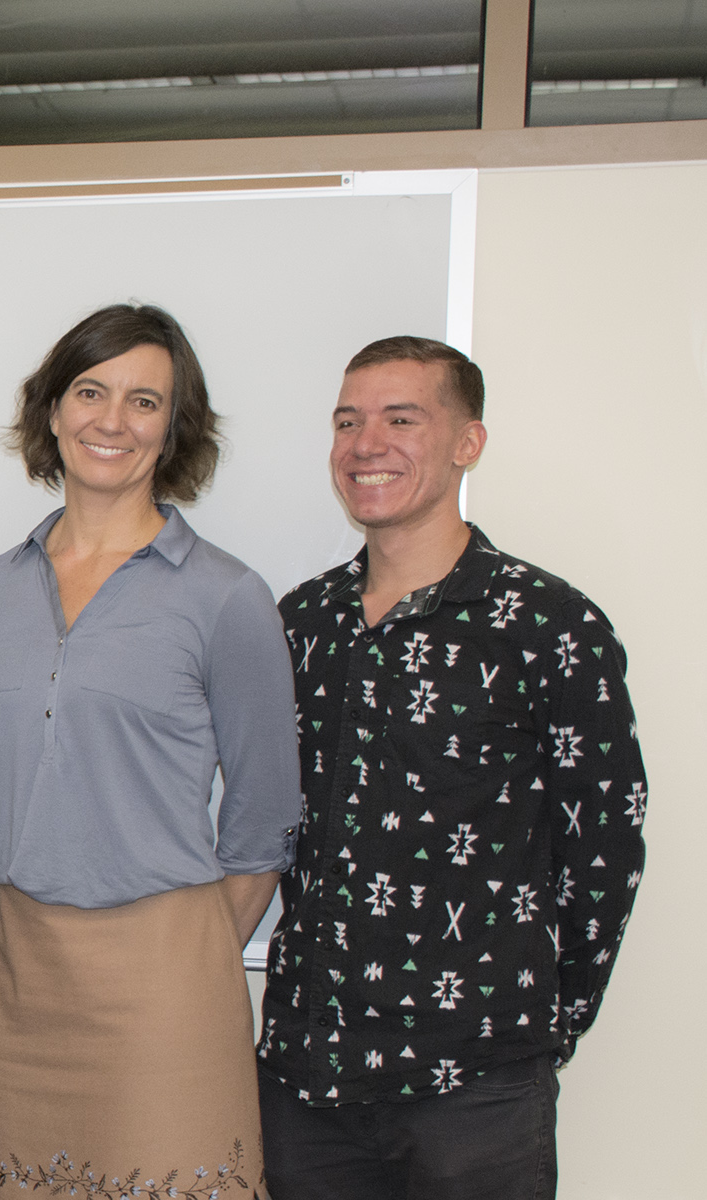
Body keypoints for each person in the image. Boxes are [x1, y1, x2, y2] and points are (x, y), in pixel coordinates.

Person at [255, 337, 647, 1198]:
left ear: (467, 441)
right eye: (347, 421)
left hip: (476, 1085)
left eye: (401, 419)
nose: (366, 444)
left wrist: (541, 1023)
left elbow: (605, 844)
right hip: (304, 1076)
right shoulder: (301, 622)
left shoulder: (547, 624)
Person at [0, 304, 298, 1195]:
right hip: (19, 967)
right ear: (51, 410)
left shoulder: (226, 597)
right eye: (90, 391)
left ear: (173, 428)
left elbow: (264, 819)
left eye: (143, 401)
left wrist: (184, 954)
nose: (111, 420)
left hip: (164, 972)